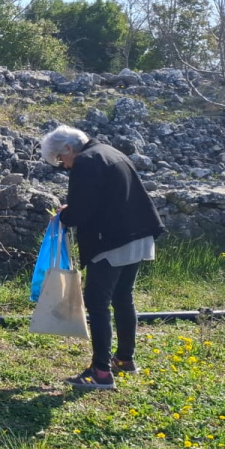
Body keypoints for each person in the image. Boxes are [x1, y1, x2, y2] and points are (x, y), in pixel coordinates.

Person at [41, 124, 165, 391]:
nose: (64, 166)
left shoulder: (85, 162)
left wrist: (64, 215)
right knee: (123, 296)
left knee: (97, 303)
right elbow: (103, 198)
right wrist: (73, 209)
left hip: (112, 240)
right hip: (139, 234)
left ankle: (101, 372)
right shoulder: (109, 151)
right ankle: (125, 359)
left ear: (68, 148)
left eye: (61, 159)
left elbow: (81, 213)